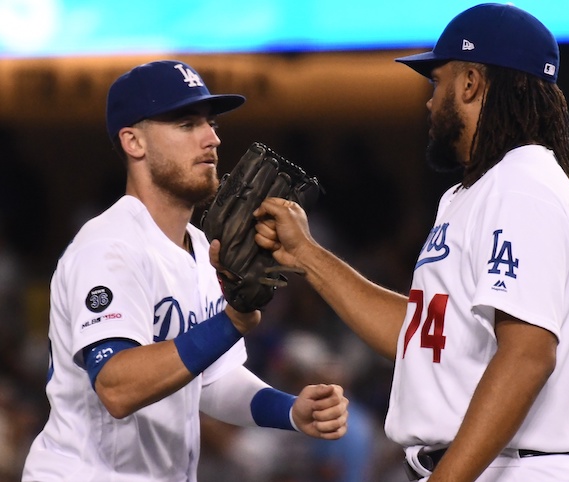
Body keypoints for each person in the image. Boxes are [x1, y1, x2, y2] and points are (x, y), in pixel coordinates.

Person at [248, 3, 569, 482]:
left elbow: (527, 355)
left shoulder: (522, 183)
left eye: (437, 81)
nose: (429, 101)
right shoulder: (475, 193)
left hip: (514, 469)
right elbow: (423, 336)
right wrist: (306, 257)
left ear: (471, 83)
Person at [21, 60, 348, 482]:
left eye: (210, 123)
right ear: (133, 142)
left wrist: (289, 410)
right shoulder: (109, 246)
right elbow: (117, 388)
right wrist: (230, 323)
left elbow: (212, 380)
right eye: (185, 124)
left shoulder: (200, 246)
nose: (212, 138)